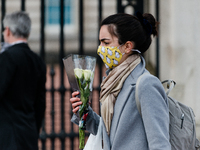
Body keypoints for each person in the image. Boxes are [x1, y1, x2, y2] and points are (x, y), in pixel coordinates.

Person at [70, 12, 171, 150]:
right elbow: (110, 135)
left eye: (106, 42)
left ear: (127, 46)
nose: (100, 48)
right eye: (100, 42)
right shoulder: (113, 82)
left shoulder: (146, 84)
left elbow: (160, 144)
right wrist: (85, 113)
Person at [0, 11, 46, 150]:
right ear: (28, 33)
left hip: (7, 137)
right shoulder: (38, 61)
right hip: (29, 134)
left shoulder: (6, 58)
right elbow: (40, 104)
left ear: (7, 31)